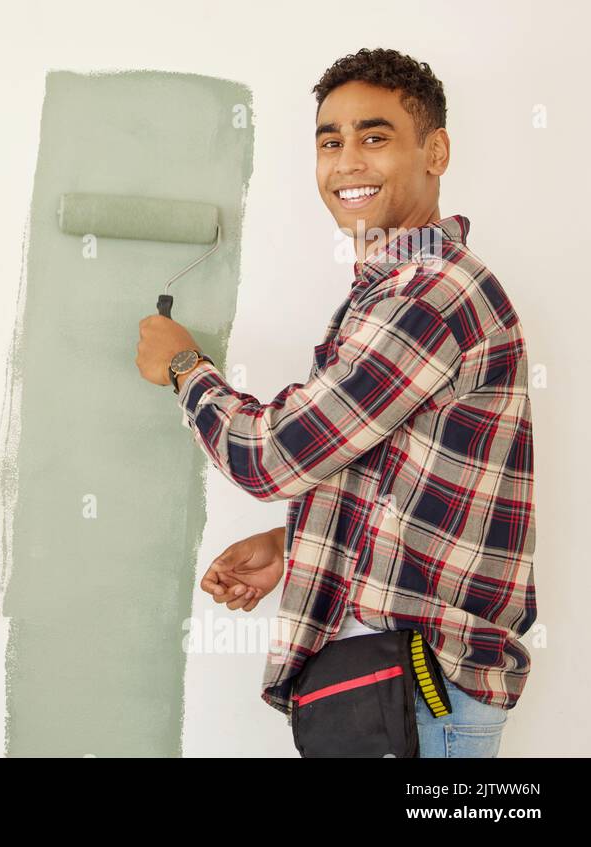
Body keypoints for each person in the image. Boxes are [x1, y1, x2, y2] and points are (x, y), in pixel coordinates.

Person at [135, 48, 536, 757]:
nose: (347, 161)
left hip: (419, 698)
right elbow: (404, 488)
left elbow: (271, 459)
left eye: (374, 137)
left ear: (435, 150)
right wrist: (297, 546)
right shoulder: (393, 288)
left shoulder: (428, 296)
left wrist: (184, 367)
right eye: (330, 141)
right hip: (389, 692)